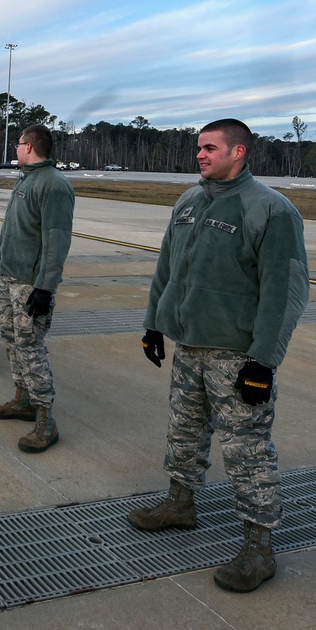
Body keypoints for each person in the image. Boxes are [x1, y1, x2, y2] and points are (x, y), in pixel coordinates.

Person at [128, 118, 309, 593]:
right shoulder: (189, 201)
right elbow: (166, 266)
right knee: (184, 430)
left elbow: (285, 291)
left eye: (210, 148)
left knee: (247, 451)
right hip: (190, 345)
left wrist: (263, 361)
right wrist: (155, 323)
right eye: (198, 149)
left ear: (239, 152)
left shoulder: (271, 210)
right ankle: (180, 503)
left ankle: (259, 548)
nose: (200, 156)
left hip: (237, 355)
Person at [0, 124, 74, 453]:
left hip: (30, 284)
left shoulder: (54, 185)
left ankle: (45, 421)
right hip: (10, 277)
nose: (15, 149)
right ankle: (23, 400)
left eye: (19, 144)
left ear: (30, 147)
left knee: (30, 347)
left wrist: (45, 287)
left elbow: (56, 240)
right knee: (11, 338)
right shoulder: (28, 179)